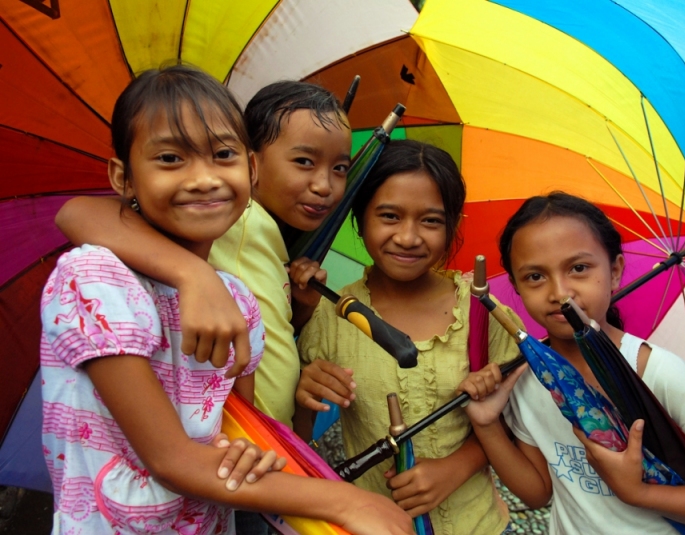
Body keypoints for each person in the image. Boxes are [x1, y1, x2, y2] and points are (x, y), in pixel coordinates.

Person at [40, 64, 413, 535]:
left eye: (222, 154)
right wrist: (343, 501)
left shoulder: (238, 298)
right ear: (123, 177)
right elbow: (171, 459)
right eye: (171, 159)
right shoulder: (95, 279)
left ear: (249, 168)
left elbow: (237, 426)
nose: (203, 178)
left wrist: (248, 450)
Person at [457, 192, 685, 534]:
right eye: (535, 276)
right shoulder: (525, 376)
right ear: (516, 287)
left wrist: (639, 493)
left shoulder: (658, 374)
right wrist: (488, 425)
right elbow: (537, 493)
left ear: (616, 271)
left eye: (579, 268)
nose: (559, 292)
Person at [55, 81, 352, 430]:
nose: (324, 185)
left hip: (262, 436)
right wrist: (193, 273)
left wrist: (300, 307)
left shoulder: (269, 232)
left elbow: (268, 332)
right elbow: (75, 213)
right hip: (236, 433)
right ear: (252, 161)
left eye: (340, 168)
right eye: (303, 161)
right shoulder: (229, 211)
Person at [295, 139, 520, 535]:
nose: (408, 237)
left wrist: (456, 468)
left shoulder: (482, 313)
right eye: (389, 216)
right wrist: (305, 393)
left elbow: (518, 423)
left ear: (452, 226)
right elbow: (295, 437)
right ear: (360, 220)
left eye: (430, 220)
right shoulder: (332, 315)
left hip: (479, 523)